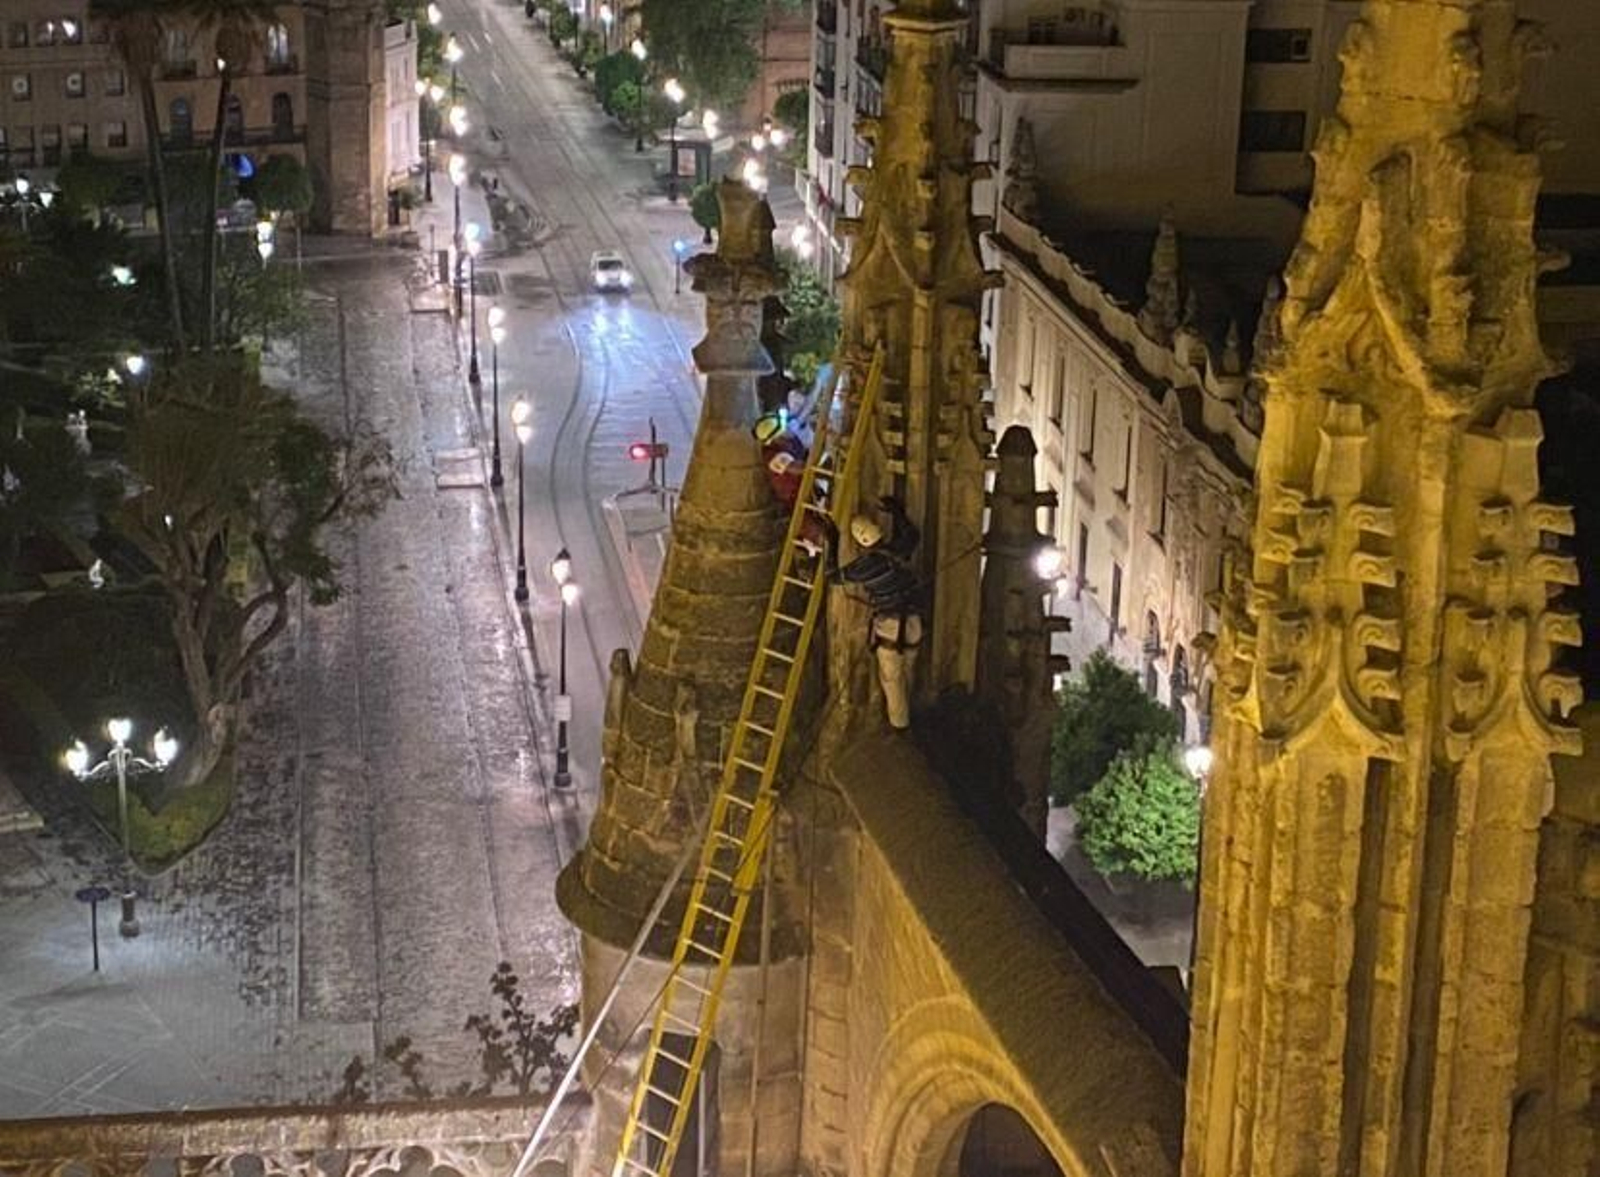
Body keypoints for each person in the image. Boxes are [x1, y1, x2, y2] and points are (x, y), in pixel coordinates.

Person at [827, 495, 922, 729]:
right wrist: (897, 512)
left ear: (860, 545)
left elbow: (832, 577)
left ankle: (900, 729)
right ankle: (913, 714)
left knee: (892, 681)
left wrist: (833, 540)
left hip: (890, 628)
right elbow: (912, 535)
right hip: (914, 623)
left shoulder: (864, 568)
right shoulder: (898, 551)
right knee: (909, 671)